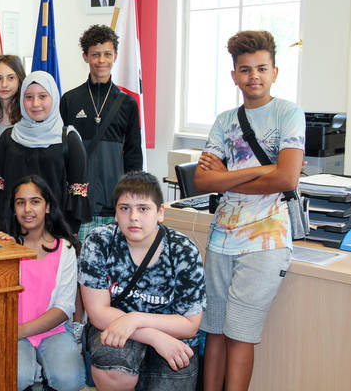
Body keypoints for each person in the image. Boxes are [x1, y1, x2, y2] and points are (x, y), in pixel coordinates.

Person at [193, 30, 305, 391]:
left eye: (261, 68)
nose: (253, 76)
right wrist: (260, 170)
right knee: (214, 329)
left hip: (265, 240)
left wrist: (228, 177)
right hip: (223, 237)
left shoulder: (288, 113)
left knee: (240, 333)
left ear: (275, 72)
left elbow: (287, 178)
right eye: (245, 69)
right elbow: (203, 182)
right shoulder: (225, 121)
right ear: (234, 76)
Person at [79, 171, 205, 391]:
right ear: (116, 214)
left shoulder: (184, 251)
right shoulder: (99, 242)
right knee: (114, 371)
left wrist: (135, 319)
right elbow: (98, 313)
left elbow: (189, 325)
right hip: (114, 329)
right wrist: (154, 337)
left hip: (173, 337)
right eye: (125, 208)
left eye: (143, 209)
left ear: (160, 213)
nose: (133, 217)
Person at [0, 175, 85, 391]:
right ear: (13, 208)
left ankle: (41, 375)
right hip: (10, 330)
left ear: (47, 207)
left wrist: (21, 330)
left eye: (35, 201)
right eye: (20, 203)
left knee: (70, 380)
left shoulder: (65, 249)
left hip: (51, 329)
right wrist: (1, 250)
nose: (27, 209)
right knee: (16, 376)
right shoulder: (5, 245)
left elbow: (64, 308)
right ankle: (35, 375)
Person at [0, 71, 90, 233]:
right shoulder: (9, 138)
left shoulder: (69, 139)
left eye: (43, 96)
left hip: (56, 234)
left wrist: (69, 233)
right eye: (29, 97)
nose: (36, 103)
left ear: (54, 97)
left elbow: (77, 191)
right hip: (12, 234)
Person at [60, 24, 143, 239]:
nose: (101, 60)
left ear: (115, 56)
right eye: (95, 54)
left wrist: (129, 199)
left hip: (114, 205)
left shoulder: (128, 103)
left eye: (107, 54)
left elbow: (134, 155)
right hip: (78, 205)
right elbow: (61, 155)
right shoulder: (70, 100)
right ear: (85, 56)